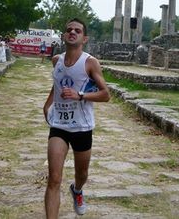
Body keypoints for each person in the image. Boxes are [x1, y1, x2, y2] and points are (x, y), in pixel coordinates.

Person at [43, 18, 110, 218]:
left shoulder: (90, 63)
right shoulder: (57, 60)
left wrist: (80, 95)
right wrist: (47, 104)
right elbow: (57, 84)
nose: (72, 32)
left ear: (84, 38)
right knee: (54, 178)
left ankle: (77, 190)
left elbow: (105, 94)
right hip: (59, 126)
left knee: (82, 175)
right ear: (64, 35)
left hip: (82, 126)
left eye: (77, 30)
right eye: (69, 29)